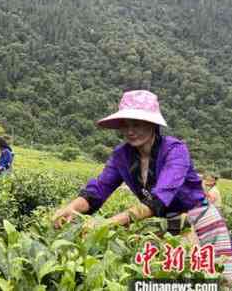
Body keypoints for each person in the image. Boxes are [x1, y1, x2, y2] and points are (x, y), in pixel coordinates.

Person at [52, 90, 232, 282]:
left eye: (137, 124)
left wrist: (105, 224)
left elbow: (158, 200)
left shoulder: (175, 151)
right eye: (126, 125)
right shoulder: (122, 155)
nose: (130, 131)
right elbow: (97, 191)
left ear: (152, 124)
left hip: (199, 221)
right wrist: (71, 208)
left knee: (219, 279)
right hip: (163, 224)